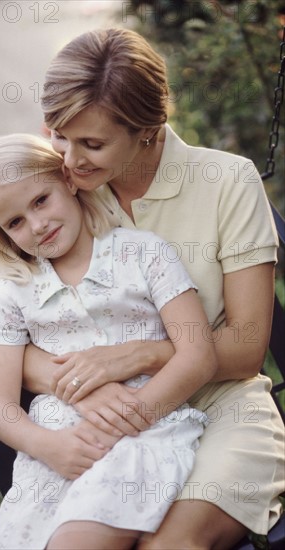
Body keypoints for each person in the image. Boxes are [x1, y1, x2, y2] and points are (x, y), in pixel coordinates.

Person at [21, 27, 285, 549]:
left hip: (222, 411)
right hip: (114, 418)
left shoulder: (228, 183)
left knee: (168, 544)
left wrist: (137, 355)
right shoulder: (57, 198)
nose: (70, 160)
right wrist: (86, 387)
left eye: (92, 143)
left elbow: (247, 348)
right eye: (58, 134)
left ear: (147, 128)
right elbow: (18, 344)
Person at [0, 132, 217, 549]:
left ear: (67, 180)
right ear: (2, 233)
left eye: (40, 200)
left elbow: (198, 356)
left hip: (142, 437)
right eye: (15, 222)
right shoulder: (9, 298)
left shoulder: (143, 254)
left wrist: (132, 418)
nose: (37, 225)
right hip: (54, 457)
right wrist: (49, 447)